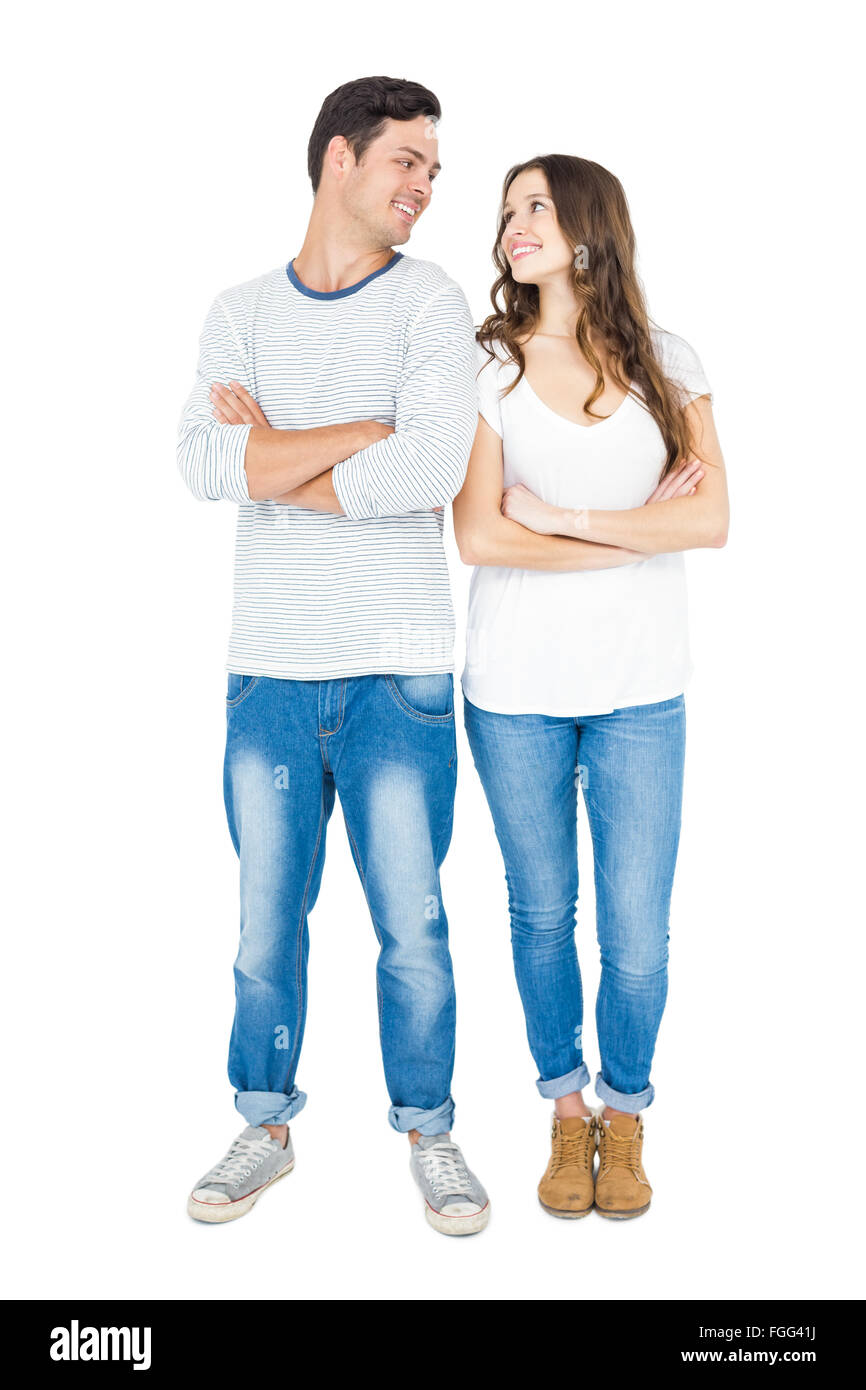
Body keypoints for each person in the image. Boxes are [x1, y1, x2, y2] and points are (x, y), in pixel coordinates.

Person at [176, 76, 489, 1235]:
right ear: (338, 161)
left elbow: (427, 472)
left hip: (399, 667)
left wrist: (278, 450)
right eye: (406, 160)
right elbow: (203, 466)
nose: (423, 185)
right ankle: (263, 1124)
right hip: (266, 666)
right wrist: (357, 436)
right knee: (265, 921)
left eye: (432, 170)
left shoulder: (431, 304)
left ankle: (432, 1129)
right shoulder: (239, 308)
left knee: (411, 922)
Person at [452, 153, 729, 1220]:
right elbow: (478, 536)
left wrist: (560, 521)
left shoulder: (667, 359)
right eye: (507, 208)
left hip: (638, 689)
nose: (515, 223)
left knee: (636, 935)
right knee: (539, 913)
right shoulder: (490, 369)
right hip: (512, 690)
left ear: (586, 231)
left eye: (537, 206)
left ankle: (626, 1107)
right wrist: (632, 536)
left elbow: (706, 521)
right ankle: (565, 1112)